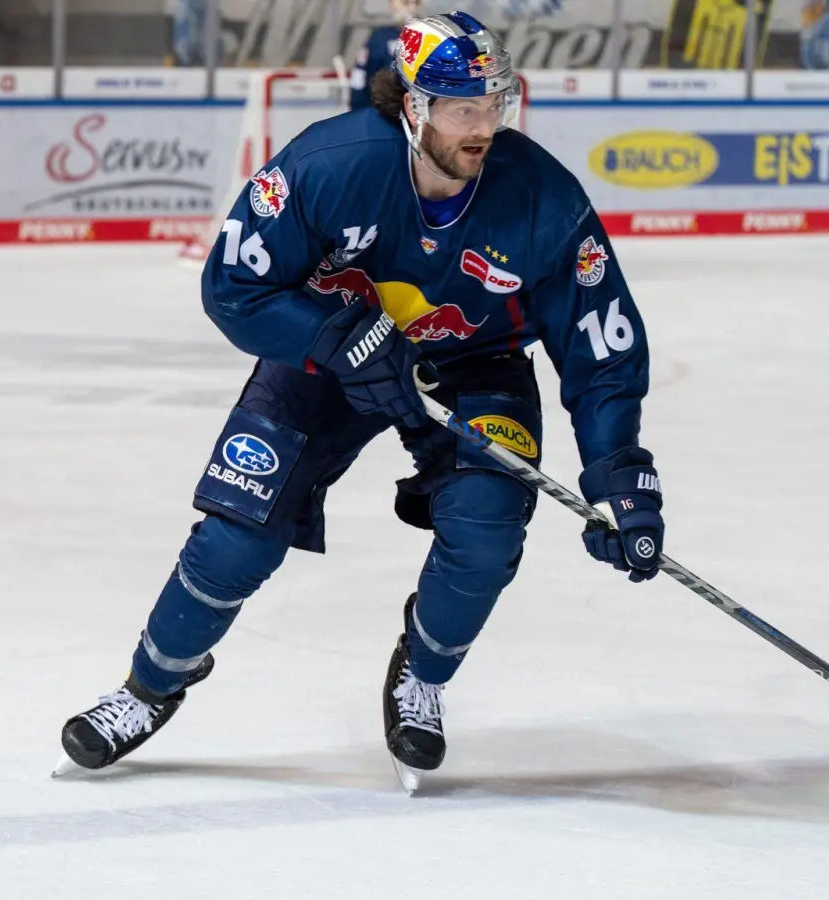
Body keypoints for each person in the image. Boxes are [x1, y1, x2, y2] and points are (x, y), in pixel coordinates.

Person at [57, 11, 664, 792]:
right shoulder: (328, 165)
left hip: (472, 368)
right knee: (237, 535)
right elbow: (231, 287)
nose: (484, 128)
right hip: (332, 356)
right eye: (462, 109)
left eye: (495, 106)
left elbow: (601, 347)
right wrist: (333, 339)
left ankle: (425, 672)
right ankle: (148, 687)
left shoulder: (544, 198)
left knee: (485, 530)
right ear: (413, 109)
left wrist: (618, 470)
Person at [350, 0, 422, 110]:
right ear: (393, 4)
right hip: (384, 111)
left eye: (416, 3)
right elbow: (360, 77)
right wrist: (358, 112)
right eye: (406, 2)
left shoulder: (428, 37)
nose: (412, 8)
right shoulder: (380, 37)